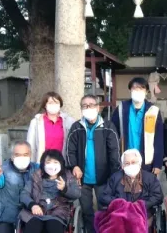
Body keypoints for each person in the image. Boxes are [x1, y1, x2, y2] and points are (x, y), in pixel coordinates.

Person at [66, 95, 121, 233]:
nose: (88, 107)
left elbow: (114, 152)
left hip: (103, 177)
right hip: (83, 178)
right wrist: (74, 166)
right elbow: (69, 151)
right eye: (85, 105)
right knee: (87, 210)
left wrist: (115, 176)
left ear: (98, 107)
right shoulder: (76, 127)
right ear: (81, 109)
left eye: (91, 105)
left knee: (105, 208)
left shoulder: (108, 127)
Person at [97, 149, 163, 233]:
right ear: (122, 166)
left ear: (139, 163)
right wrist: (119, 203)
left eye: (133, 162)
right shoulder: (115, 178)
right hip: (120, 213)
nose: (130, 165)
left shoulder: (150, 178)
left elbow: (158, 196)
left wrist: (141, 205)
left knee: (137, 224)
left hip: (143, 213)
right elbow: (103, 197)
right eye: (127, 163)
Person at [0, 141, 39, 233]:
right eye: (18, 155)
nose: (22, 158)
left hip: (30, 214)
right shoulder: (2, 170)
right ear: (12, 157)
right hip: (6, 217)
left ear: (30, 155)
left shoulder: (36, 169)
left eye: (25, 154)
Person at [19, 149, 81, 233]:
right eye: (48, 162)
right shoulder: (36, 176)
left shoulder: (68, 176)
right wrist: (32, 205)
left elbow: (77, 194)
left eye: (55, 162)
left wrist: (65, 188)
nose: (52, 166)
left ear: (61, 164)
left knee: (53, 226)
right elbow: (24, 194)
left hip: (58, 211)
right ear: (43, 164)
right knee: (33, 226)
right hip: (36, 211)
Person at [112, 77, 164, 175]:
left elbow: (158, 139)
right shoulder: (121, 109)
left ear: (146, 91)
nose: (138, 91)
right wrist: (115, 161)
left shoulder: (153, 111)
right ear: (130, 90)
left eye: (141, 89)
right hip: (126, 160)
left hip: (147, 162)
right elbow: (113, 136)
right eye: (134, 88)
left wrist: (158, 163)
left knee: (146, 188)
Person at [27, 91, 75, 162]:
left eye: (56, 103)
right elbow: (31, 145)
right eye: (50, 103)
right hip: (42, 162)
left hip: (62, 162)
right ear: (45, 105)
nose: (53, 105)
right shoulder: (36, 122)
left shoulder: (69, 121)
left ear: (60, 105)